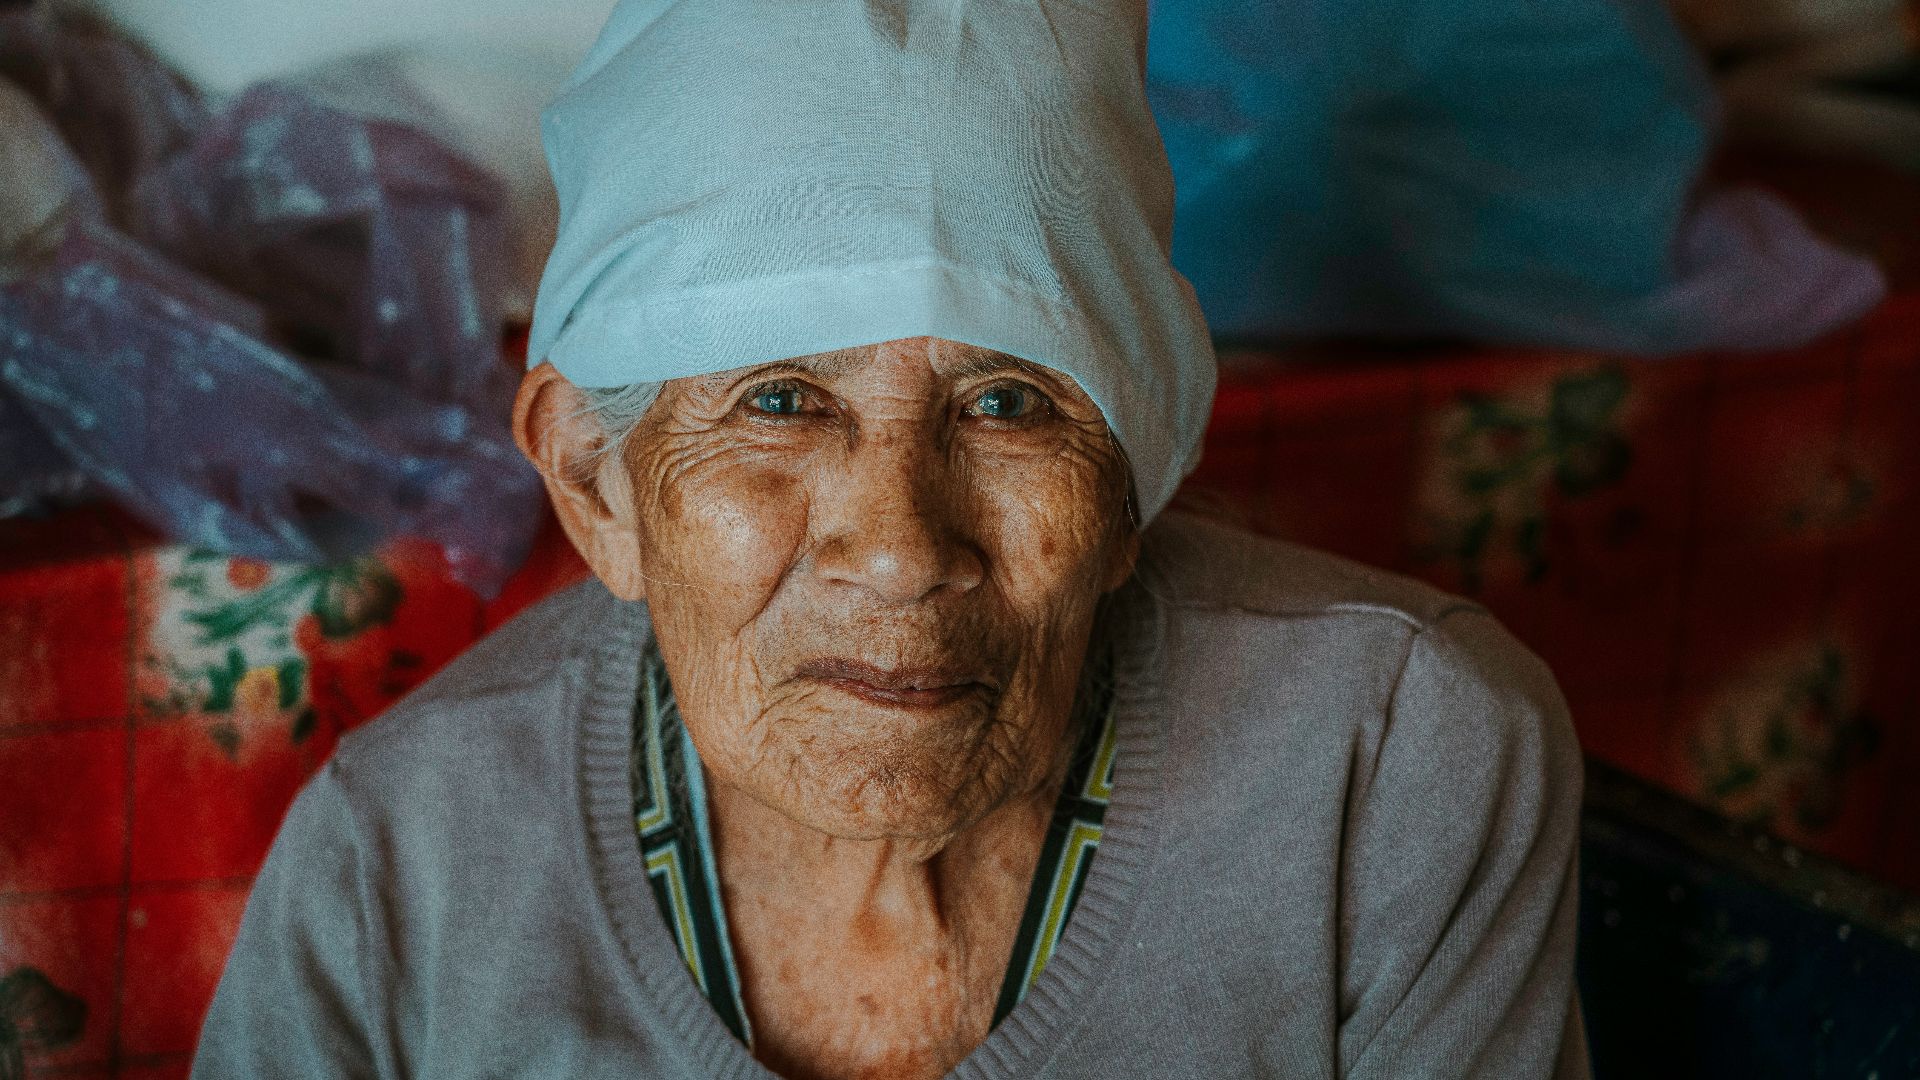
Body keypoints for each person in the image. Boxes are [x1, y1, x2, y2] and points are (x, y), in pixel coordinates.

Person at [191, 0, 1590, 1077]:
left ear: (1127, 485)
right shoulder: (402, 868)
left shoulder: (1392, 763)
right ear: (595, 483)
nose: (900, 548)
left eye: (1006, 402)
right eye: (782, 402)